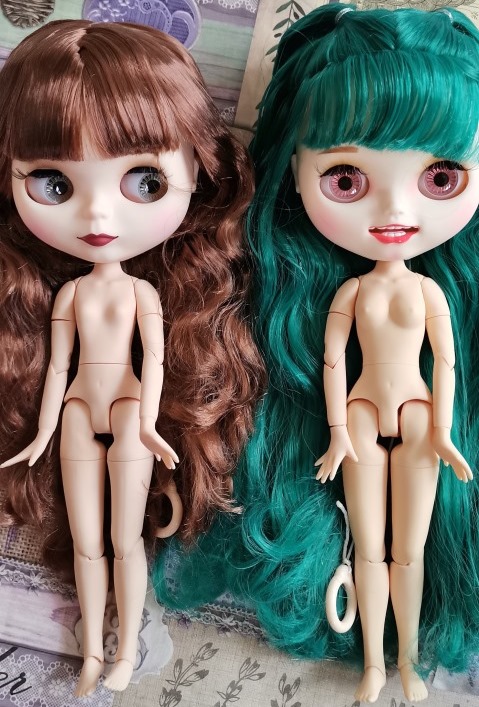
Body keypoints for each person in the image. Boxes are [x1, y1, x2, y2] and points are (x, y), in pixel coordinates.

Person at [154, 4, 479, 703]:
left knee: (409, 547)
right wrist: (333, 432)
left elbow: (448, 363)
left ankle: (406, 660)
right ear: (293, 173)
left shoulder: (432, 293)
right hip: (357, 418)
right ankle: (374, 664)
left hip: (421, 418)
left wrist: (447, 433)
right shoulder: (342, 294)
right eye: (346, 180)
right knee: (370, 543)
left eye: (440, 178)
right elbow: (332, 361)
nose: (396, 212)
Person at [0, 19, 263, 696]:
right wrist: (41, 434)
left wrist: (146, 423)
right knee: (87, 541)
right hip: (76, 413)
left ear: (196, 170)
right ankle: (91, 651)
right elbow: (58, 367)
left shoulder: (146, 294)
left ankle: (123, 650)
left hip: (126, 413)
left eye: (144, 181)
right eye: (53, 184)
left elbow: (153, 364)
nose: (97, 215)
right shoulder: (67, 296)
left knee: (125, 539)